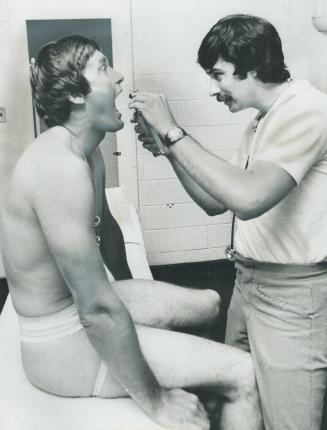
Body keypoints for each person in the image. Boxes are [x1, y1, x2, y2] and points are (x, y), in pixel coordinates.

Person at [0, 35, 263, 430]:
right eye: (105, 68)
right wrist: (156, 402)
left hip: (79, 308)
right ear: (75, 93)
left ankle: (204, 397)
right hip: (60, 345)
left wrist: (135, 306)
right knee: (245, 374)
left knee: (209, 302)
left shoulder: (87, 153)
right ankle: (218, 393)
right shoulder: (57, 167)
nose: (120, 77)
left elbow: (109, 239)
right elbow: (97, 310)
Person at [129, 13, 327, 430]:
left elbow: (248, 197)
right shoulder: (263, 120)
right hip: (249, 283)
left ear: (252, 65)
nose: (214, 88)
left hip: (292, 297)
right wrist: (169, 150)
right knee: (239, 402)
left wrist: (173, 131)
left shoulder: (307, 109)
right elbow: (215, 202)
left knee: (290, 422)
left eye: (219, 74)